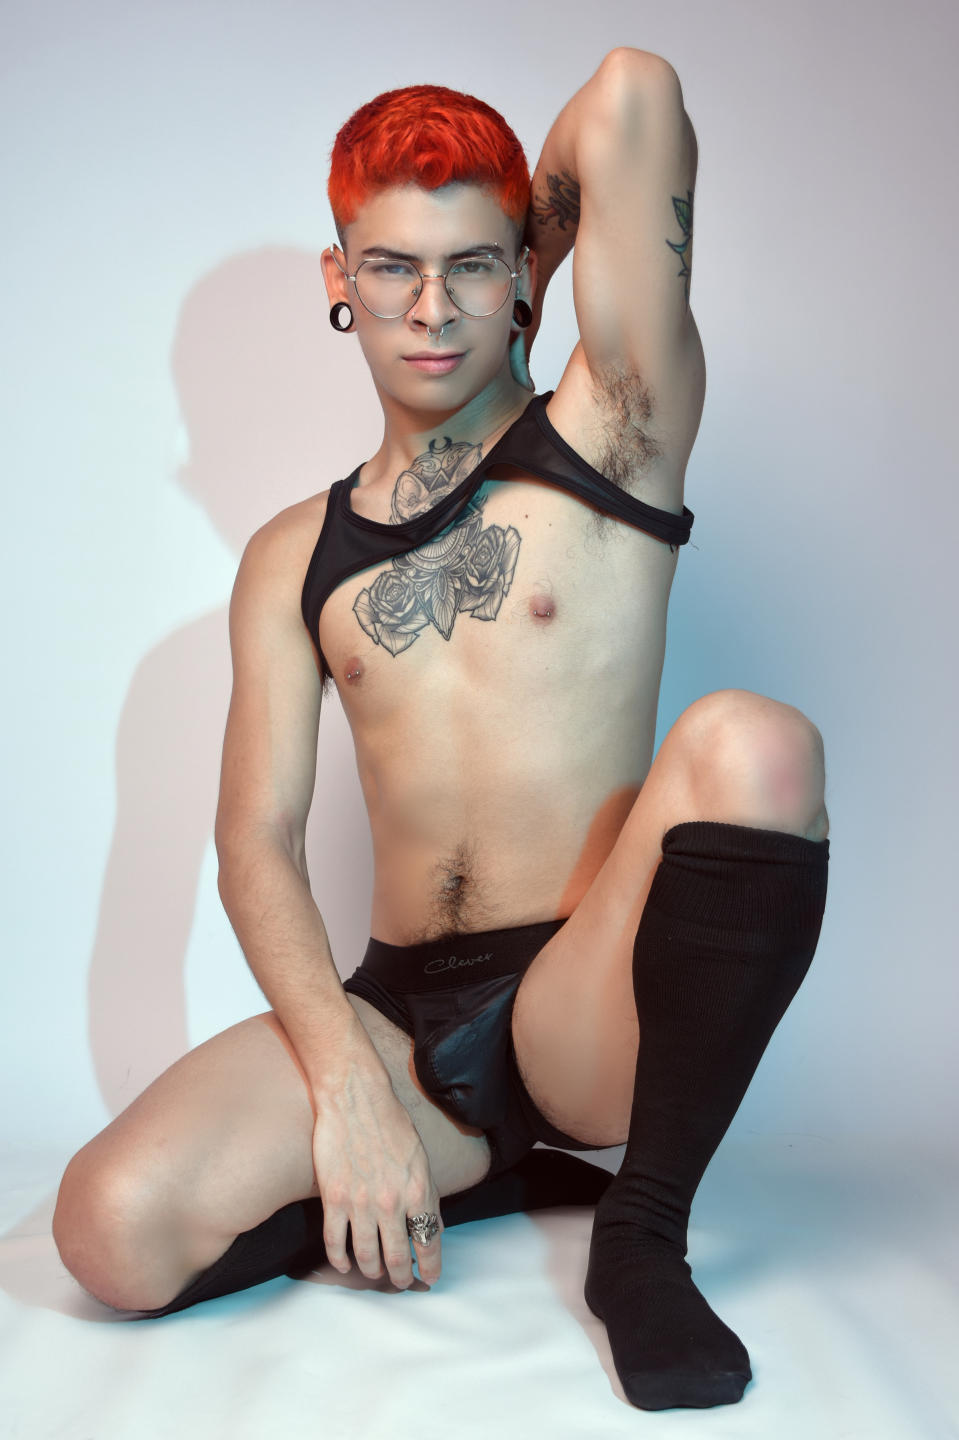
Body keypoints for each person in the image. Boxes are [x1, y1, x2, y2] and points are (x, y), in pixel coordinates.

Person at [53, 49, 829, 1412]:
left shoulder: (614, 429)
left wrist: (526, 259)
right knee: (107, 1230)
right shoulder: (291, 555)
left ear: (521, 269)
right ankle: (461, 1168)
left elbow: (634, 96)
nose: (431, 309)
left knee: (754, 743)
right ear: (338, 279)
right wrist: (348, 1092)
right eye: (393, 268)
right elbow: (256, 843)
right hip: (401, 1016)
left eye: (470, 266)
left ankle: (641, 1236)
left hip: (593, 998)